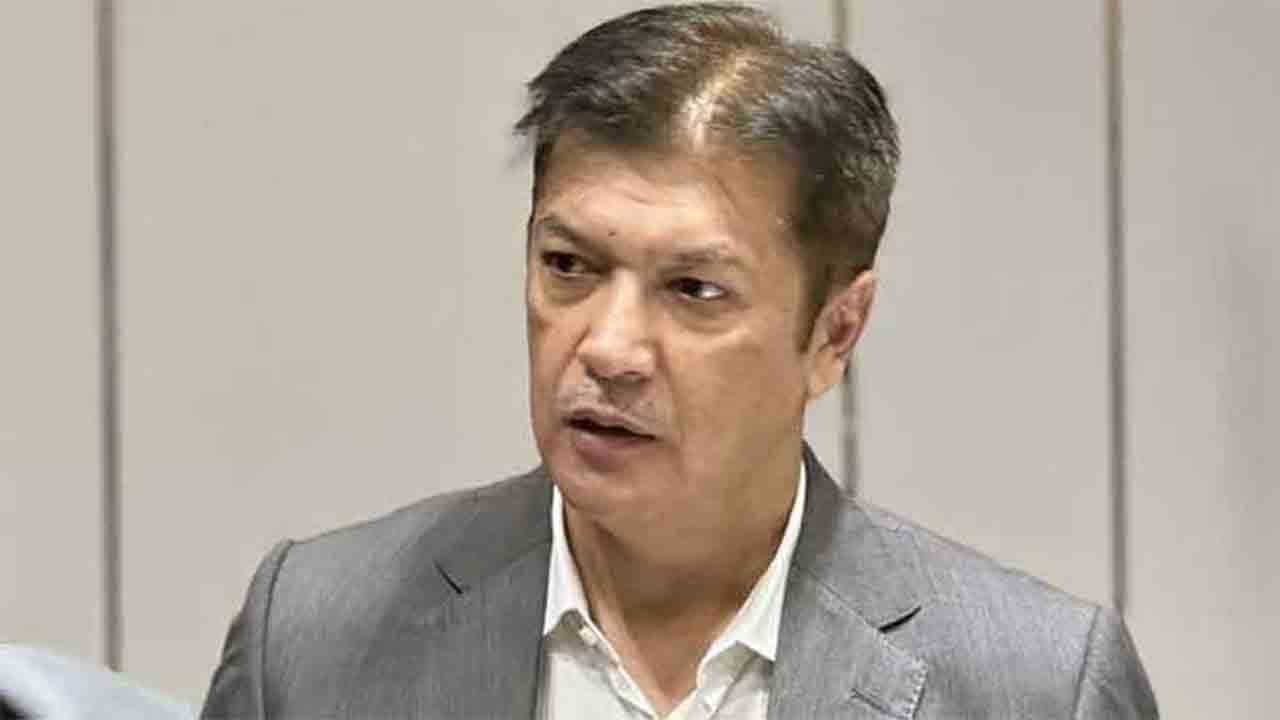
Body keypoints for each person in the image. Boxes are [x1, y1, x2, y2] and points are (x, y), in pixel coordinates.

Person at [200, 4, 1158, 718]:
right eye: (568, 266)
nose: (608, 347)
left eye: (694, 289)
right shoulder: (314, 638)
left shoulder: (1036, 687)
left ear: (835, 333)